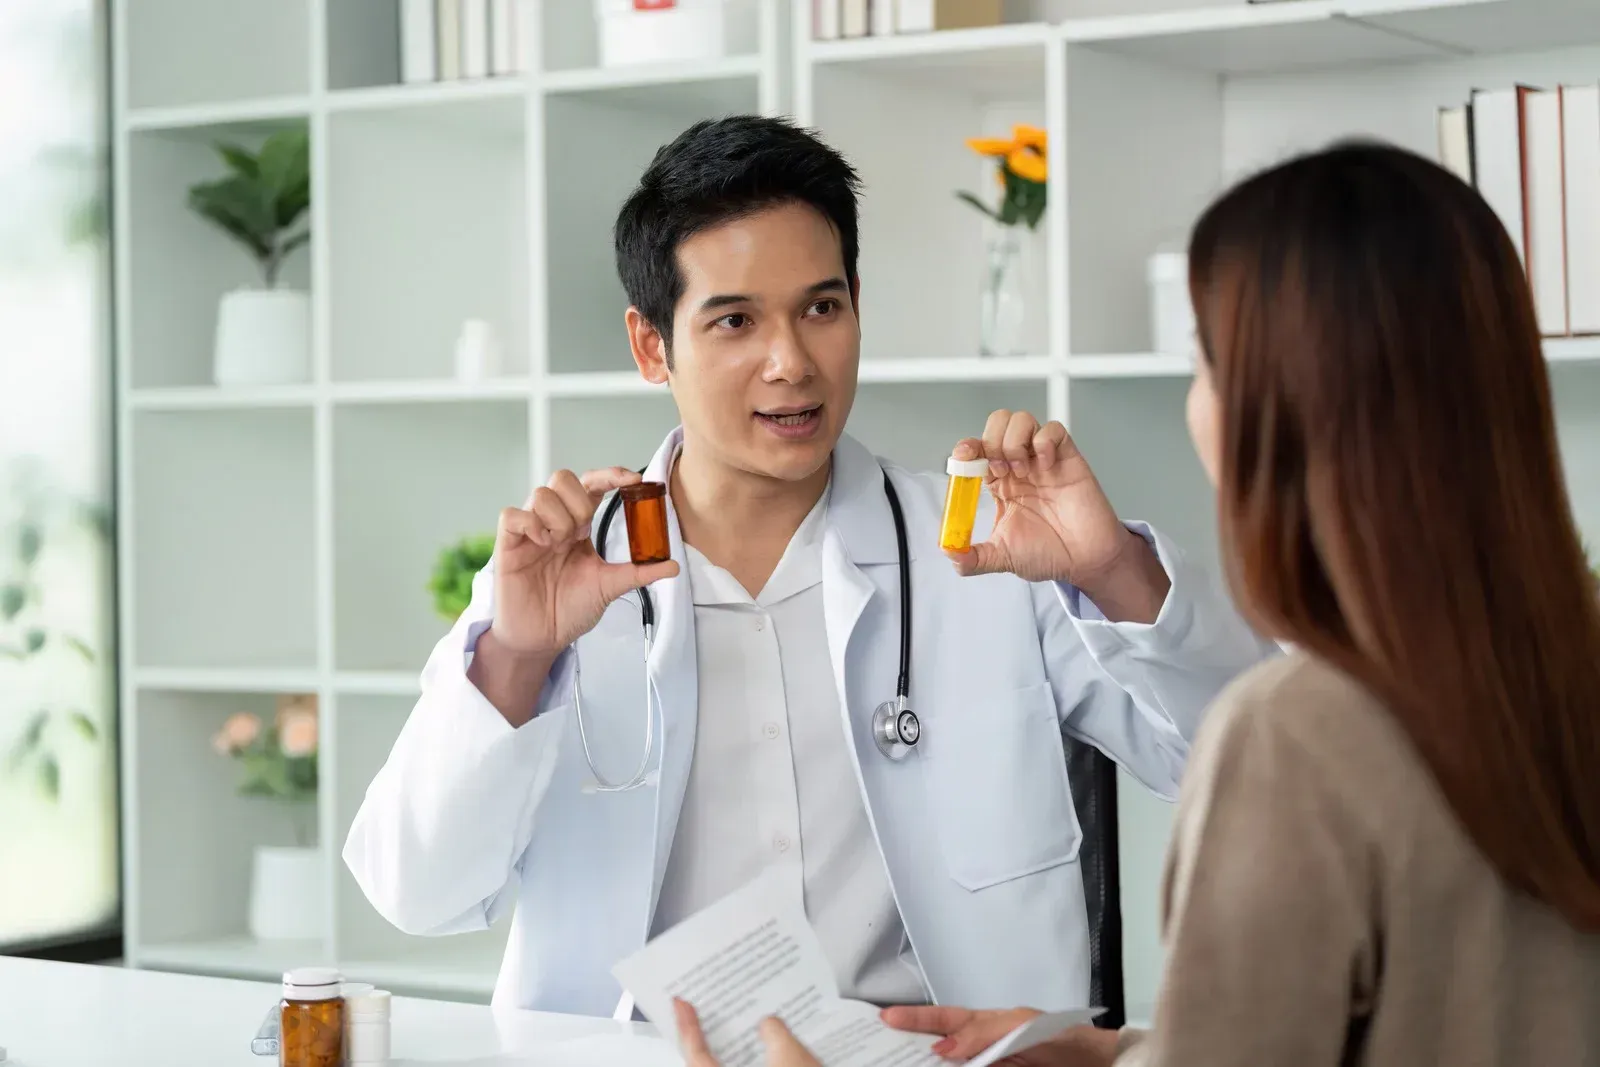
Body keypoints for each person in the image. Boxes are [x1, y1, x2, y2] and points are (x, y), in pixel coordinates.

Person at [342, 114, 1275, 1018]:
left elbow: (1249, 769)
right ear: (650, 344)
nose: (791, 362)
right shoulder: (555, 584)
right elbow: (416, 893)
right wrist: (515, 657)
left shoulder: (988, 552)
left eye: (820, 308)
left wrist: (1112, 567)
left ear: (857, 306)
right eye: (736, 321)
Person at [747, 140, 1600, 1067]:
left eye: (1203, 362)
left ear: (1277, 409)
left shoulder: (1303, 734)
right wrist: (1113, 1055)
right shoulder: (1564, 659)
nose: (789, 363)